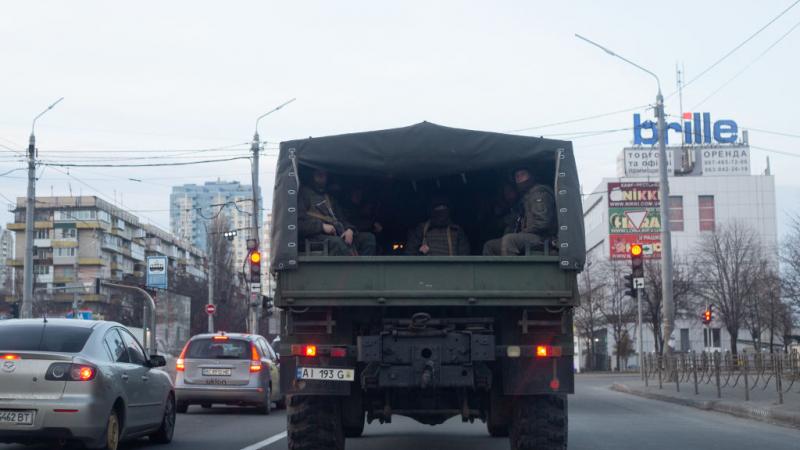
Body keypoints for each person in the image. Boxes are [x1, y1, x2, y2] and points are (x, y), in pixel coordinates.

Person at [298, 169, 376, 256]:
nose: (322, 177)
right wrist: (321, 226)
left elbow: (341, 218)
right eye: (318, 174)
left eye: (324, 175)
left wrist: (349, 229)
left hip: (336, 234)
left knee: (368, 239)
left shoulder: (329, 197)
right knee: (338, 244)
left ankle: (364, 265)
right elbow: (299, 224)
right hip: (314, 237)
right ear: (311, 175)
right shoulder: (303, 195)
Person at [482, 168, 556, 256]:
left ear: (531, 176)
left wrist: (524, 232)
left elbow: (542, 223)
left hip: (543, 238)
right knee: (490, 246)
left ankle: (510, 265)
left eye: (523, 174)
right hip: (530, 236)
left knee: (510, 240)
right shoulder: (525, 198)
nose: (519, 178)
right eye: (517, 176)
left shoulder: (539, 193)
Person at [406, 196, 470, 256]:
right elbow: (410, 253)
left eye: (443, 207)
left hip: (451, 265)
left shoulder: (457, 230)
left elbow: (464, 256)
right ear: (431, 211)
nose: (441, 212)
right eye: (437, 208)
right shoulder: (421, 229)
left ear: (449, 211)